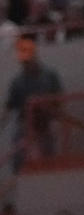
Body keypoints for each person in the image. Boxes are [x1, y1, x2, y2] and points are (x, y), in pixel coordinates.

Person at [2, 37, 62, 170]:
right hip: (26, 123)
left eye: (28, 61)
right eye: (24, 62)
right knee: (19, 151)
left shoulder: (49, 75)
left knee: (48, 154)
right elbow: (10, 106)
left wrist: (55, 112)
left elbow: (59, 97)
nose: (26, 64)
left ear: (35, 56)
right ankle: (20, 172)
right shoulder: (17, 82)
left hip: (46, 121)